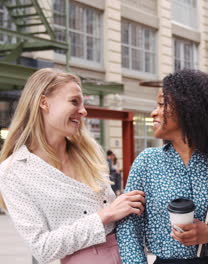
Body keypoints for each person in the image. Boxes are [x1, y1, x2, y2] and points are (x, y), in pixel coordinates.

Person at [0, 68, 145, 264]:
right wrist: (104, 216)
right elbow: (42, 248)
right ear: (44, 102)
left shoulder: (88, 152)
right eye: (74, 101)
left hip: (129, 253)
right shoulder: (14, 171)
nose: (84, 111)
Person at [116, 69, 208, 264]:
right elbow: (129, 228)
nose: (154, 112)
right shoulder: (147, 162)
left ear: (189, 109)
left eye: (162, 104)